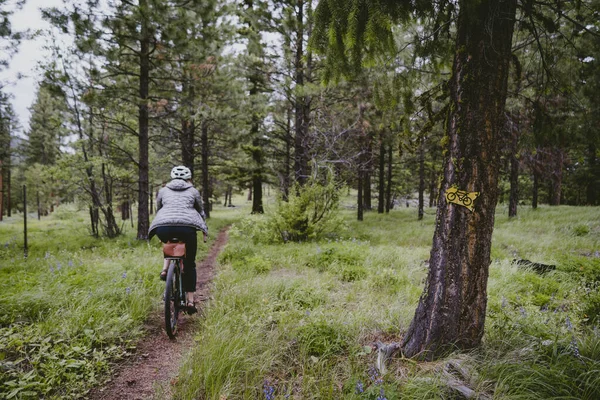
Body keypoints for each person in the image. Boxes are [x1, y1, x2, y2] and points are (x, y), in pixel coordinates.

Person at [149, 165, 208, 314]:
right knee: (189, 264)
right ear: (189, 178)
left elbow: (159, 209)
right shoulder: (193, 191)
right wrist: (204, 226)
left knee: (169, 242)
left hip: (163, 227)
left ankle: (165, 269)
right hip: (187, 228)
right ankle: (190, 301)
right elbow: (200, 210)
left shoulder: (163, 190)